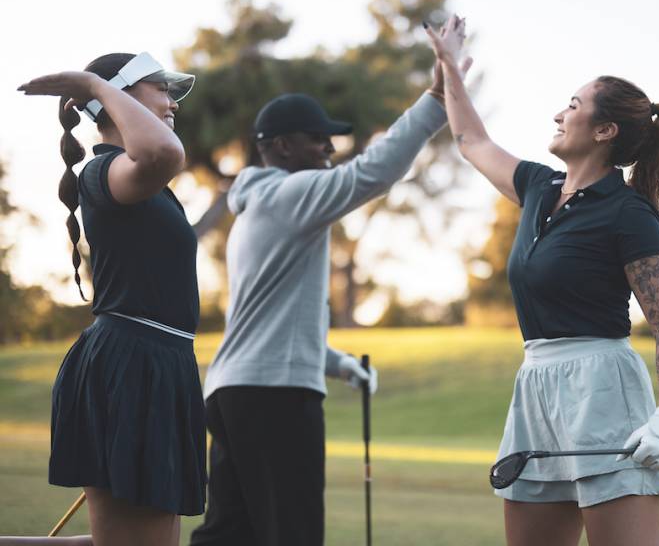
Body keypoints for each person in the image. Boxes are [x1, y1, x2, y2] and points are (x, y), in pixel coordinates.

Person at [189, 37, 470, 546]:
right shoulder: (289, 195)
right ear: (279, 146)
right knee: (292, 532)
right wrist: (434, 99)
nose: (329, 148)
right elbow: (373, 172)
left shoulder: (257, 208)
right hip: (275, 397)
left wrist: (343, 366)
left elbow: (276, 328)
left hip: (234, 392)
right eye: (317, 138)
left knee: (230, 534)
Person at [426, 16, 659, 546]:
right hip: (535, 386)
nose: (558, 113)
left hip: (604, 392)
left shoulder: (628, 213)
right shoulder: (538, 186)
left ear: (604, 130)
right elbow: (470, 139)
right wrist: (449, 66)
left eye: (572, 105)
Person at [8, 52, 206, 546]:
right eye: (160, 88)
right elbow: (164, 152)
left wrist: (99, 89)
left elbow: (163, 155)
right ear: (121, 97)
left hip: (157, 364)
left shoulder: (149, 185)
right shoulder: (105, 172)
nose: (171, 103)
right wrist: (95, 88)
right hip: (132, 366)